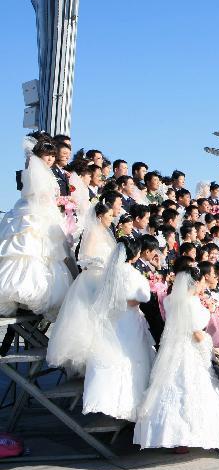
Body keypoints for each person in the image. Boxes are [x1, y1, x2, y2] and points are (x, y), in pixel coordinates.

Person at [133, 268, 219, 451]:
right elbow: (197, 334)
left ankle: (171, 437)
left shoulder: (170, 300)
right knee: (190, 388)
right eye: (203, 281)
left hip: (173, 349)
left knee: (171, 387)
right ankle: (188, 436)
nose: (204, 285)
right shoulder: (192, 303)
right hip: (191, 350)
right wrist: (210, 345)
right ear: (195, 283)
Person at [82, 238, 156, 421]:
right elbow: (144, 296)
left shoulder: (110, 271)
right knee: (133, 357)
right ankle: (131, 404)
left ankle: (110, 402)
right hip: (129, 318)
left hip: (113, 319)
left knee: (114, 356)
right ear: (135, 254)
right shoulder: (132, 273)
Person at [0, 138, 73, 318]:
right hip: (34, 213)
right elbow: (37, 194)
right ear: (39, 155)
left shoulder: (45, 171)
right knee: (28, 250)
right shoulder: (34, 169)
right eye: (47, 155)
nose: (50, 159)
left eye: (52, 156)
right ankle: (22, 294)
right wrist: (57, 201)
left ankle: (32, 296)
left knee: (45, 254)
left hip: (44, 212)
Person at [46, 202, 116, 374]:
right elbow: (86, 256)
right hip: (93, 277)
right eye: (109, 216)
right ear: (100, 217)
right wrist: (100, 264)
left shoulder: (107, 233)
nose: (111, 219)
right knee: (89, 318)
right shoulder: (92, 234)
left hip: (104, 277)